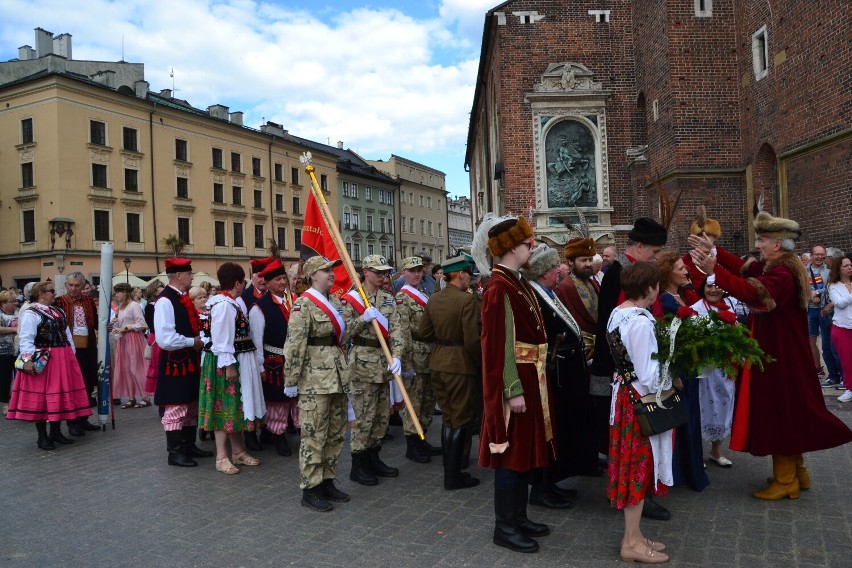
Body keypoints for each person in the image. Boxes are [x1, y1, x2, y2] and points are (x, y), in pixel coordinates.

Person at [689, 211, 852, 499]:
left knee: (781, 413)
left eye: (763, 240)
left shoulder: (782, 273)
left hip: (781, 358)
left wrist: (714, 270)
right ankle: (796, 473)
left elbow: (755, 293)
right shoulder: (780, 267)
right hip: (784, 354)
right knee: (789, 412)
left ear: (777, 244)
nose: (759, 245)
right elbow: (745, 271)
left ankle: (786, 480)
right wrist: (713, 251)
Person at [474, 214, 552, 554]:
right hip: (517, 382)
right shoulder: (498, 287)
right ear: (508, 248)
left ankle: (518, 516)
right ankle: (504, 526)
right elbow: (499, 344)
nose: (529, 248)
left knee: (525, 454)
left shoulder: (516, 281)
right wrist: (512, 389)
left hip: (530, 378)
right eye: (525, 244)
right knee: (510, 456)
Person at [590, 217, 670, 521]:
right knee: (637, 440)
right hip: (630, 375)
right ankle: (638, 493)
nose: (656, 257)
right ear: (638, 246)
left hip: (631, 371)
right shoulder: (623, 275)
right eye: (654, 251)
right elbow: (621, 335)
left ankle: (639, 489)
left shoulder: (633, 272)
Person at [606, 262, 672, 564]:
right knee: (638, 468)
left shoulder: (619, 313)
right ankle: (631, 542)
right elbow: (648, 373)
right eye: (656, 284)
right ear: (650, 288)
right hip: (640, 401)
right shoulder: (642, 323)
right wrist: (671, 375)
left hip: (624, 397)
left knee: (632, 466)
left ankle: (633, 535)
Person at [525, 245, 597, 509]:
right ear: (544, 271)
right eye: (555, 267)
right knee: (550, 430)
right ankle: (541, 488)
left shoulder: (549, 293)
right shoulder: (535, 295)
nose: (560, 271)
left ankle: (551, 481)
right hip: (554, 375)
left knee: (561, 429)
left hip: (565, 372)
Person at [283, 256, 352, 512]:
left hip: (336, 376)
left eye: (332, 269)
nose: (331, 274)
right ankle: (310, 488)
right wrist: (290, 379)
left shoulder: (334, 301)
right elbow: (294, 345)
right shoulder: (304, 304)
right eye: (325, 270)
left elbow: (342, 335)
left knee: (335, 433)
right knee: (314, 435)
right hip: (314, 380)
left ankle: (327, 481)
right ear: (313, 275)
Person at [419, 254, 482, 490]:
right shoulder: (466, 301)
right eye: (468, 275)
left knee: (448, 418)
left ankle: (451, 469)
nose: (469, 280)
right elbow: (472, 341)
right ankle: (452, 476)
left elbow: (424, 333)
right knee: (461, 419)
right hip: (460, 366)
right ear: (461, 274)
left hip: (438, 363)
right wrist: (480, 364)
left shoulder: (434, 299)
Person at [6, 282, 92, 450]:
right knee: (43, 397)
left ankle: (55, 432)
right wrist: (28, 359)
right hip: (44, 359)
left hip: (62, 357)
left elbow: (66, 333)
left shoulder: (57, 310)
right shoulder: (31, 313)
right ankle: (42, 436)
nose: (54, 293)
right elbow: (26, 338)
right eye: (51, 291)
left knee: (59, 395)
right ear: (41, 294)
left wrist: (71, 354)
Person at [341, 254, 404, 486]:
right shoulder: (351, 300)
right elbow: (343, 332)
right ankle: (358, 464)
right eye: (378, 272)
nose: (383, 276)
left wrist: (397, 356)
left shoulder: (388, 299)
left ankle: (374, 458)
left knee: (380, 417)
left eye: (385, 273)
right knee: (363, 418)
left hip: (384, 364)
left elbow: (397, 330)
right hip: (362, 365)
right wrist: (362, 320)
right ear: (365, 272)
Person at [198, 262, 263, 475]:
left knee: (234, 406)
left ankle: (237, 451)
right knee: (223, 406)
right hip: (224, 362)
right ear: (237, 283)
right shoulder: (224, 305)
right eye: (243, 281)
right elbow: (221, 337)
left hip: (230, 360)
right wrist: (228, 365)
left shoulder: (228, 302)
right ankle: (221, 457)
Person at [657, 252, 709, 492]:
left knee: (691, 416)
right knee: (681, 417)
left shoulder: (681, 297)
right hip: (679, 367)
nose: (686, 272)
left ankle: (691, 468)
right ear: (669, 273)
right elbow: (669, 339)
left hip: (690, 365)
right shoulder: (666, 301)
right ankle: (678, 471)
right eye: (680, 268)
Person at [154, 257, 212, 468]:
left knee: (190, 404)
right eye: (189, 273)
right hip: (175, 362)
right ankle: (175, 452)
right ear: (178, 275)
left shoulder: (183, 297)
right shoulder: (165, 301)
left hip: (188, 360)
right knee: (176, 406)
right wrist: (192, 341)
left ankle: (188, 445)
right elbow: (165, 339)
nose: (192, 276)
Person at [394, 256, 441, 464]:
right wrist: (406, 363)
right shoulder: (403, 298)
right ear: (403, 272)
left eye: (419, 270)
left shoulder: (422, 293)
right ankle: (412, 444)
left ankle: (422, 438)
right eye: (412, 270)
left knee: (428, 400)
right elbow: (402, 332)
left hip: (429, 352)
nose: (416, 274)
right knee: (414, 400)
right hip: (414, 354)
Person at [691, 277, 742, 466]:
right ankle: (697, 452)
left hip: (723, 369)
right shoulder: (696, 309)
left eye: (717, 287)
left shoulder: (727, 309)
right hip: (702, 370)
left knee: (723, 405)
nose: (713, 290)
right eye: (709, 286)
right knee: (700, 407)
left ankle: (716, 451)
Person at [248, 259, 295, 456]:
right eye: (278, 279)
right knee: (277, 400)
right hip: (274, 361)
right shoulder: (259, 308)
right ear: (267, 283)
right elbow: (257, 341)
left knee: (297, 398)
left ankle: (298, 430)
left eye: (284, 278)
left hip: (295, 359)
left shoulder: (294, 299)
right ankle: (278, 435)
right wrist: (260, 367)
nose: (283, 282)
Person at [54, 271, 101, 433]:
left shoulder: (88, 301)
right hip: (68, 349)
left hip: (87, 348)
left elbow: (95, 322)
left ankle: (83, 419)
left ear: (82, 286)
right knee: (72, 385)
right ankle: (72, 422)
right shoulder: (58, 302)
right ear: (66, 285)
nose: (73, 288)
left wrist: (105, 325)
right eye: (70, 285)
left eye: (77, 285)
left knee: (87, 383)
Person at [112, 283, 152, 409]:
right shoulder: (122, 306)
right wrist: (115, 324)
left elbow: (142, 324)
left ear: (124, 292)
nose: (116, 295)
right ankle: (131, 397)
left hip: (134, 339)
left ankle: (145, 397)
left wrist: (125, 328)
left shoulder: (134, 305)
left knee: (137, 368)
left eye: (118, 292)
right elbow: (123, 322)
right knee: (126, 369)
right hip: (123, 340)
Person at [827, 254, 852, 402]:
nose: (849, 267)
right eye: (846, 266)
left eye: (850, 265)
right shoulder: (833, 286)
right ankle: (850, 389)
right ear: (839, 269)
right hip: (842, 328)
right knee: (847, 360)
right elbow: (840, 303)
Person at [805, 246, 832, 381]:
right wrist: (810, 295)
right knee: (811, 339)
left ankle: (833, 371)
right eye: (817, 254)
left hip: (824, 309)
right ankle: (818, 368)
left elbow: (830, 287)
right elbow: (801, 288)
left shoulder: (828, 271)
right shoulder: (804, 271)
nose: (820, 257)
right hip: (810, 309)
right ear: (811, 255)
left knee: (827, 342)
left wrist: (817, 293)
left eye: (822, 254)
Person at [819, 247, 845, 389]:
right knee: (827, 348)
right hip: (825, 315)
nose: (825, 260)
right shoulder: (830, 274)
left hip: (835, 315)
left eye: (827, 257)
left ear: (833, 259)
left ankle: (843, 377)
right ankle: (833, 376)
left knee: (836, 349)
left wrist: (829, 306)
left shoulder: (842, 275)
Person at [0, 290, 19, 416]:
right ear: (3, 304)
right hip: (3, 351)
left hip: (17, 351)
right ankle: (4, 404)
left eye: (15, 301)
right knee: (4, 378)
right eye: (11, 302)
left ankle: (15, 402)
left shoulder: (19, 313)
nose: (15, 304)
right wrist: (14, 329)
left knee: (17, 378)